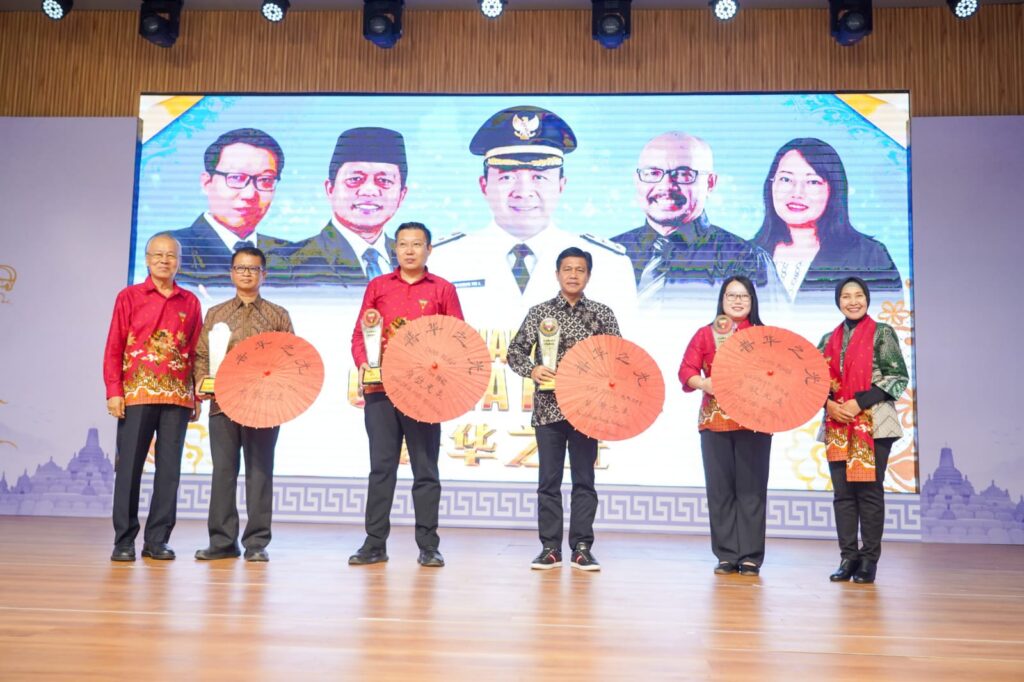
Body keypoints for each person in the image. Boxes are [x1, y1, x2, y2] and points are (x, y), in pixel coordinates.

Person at [428, 105, 636, 328]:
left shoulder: (608, 264)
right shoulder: (443, 260)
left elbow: (624, 355)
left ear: (561, 185)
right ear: (484, 185)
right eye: (507, 177)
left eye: (539, 177)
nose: (523, 192)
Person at [348, 222, 463, 568]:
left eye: (417, 244)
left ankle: (428, 545)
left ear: (429, 249)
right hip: (380, 391)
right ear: (394, 249)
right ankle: (374, 543)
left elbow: (458, 339)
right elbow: (359, 334)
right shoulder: (378, 287)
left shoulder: (443, 289)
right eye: (402, 244)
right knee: (381, 468)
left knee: (425, 470)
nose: (409, 250)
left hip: (425, 395)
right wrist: (365, 364)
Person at [507, 247, 621, 571]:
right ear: (556, 274)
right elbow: (515, 352)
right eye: (567, 269)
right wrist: (532, 370)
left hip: (587, 411)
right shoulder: (539, 313)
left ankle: (582, 547)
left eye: (580, 269)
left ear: (588, 275)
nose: (573, 275)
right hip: (548, 410)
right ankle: (550, 548)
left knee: (585, 481)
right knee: (549, 481)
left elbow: (617, 358)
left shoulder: (602, 314)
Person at [103, 232, 202, 562]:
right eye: (157, 254)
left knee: (169, 471)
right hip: (137, 394)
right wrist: (114, 391)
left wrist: (197, 395)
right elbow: (114, 346)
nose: (164, 260)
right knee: (129, 468)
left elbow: (195, 352)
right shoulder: (129, 296)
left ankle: (157, 539)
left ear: (179, 262)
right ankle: (124, 540)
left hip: (177, 396)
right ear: (146, 259)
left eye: (171, 255)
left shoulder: (190, 301)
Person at [193, 247, 294, 563]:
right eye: (241, 268)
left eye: (254, 269)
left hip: (264, 407)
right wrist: (200, 380)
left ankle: (256, 543)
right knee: (223, 471)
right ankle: (222, 541)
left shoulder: (278, 315)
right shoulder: (216, 314)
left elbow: (291, 357)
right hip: (223, 404)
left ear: (264, 274)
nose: (247, 273)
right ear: (231, 273)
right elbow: (201, 356)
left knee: (260, 472)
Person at [678, 276, 772, 576]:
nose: (737, 300)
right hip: (715, 422)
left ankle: (751, 557)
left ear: (752, 300)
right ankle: (726, 555)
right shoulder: (706, 334)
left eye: (743, 296)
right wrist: (704, 382)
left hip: (755, 422)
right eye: (731, 295)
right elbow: (686, 371)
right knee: (720, 491)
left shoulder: (764, 336)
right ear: (721, 299)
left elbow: (778, 373)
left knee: (752, 490)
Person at [612, 132, 777, 302]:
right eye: (653, 173)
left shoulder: (746, 260)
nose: (666, 186)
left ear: (710, 183)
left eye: (683, 174)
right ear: (637, 180)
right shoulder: (605, 257)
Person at [817, 277, 908, 584]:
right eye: (846, 296)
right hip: (837, 423)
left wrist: (858, 403)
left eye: (858, 295)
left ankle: (869, 559)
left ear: (867, 299)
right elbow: (812, 383)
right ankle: (848, 557)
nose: (852, 301)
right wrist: (830, 406)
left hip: (874, 423)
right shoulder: (827, 339)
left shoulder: (882, 333)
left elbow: (897, 377)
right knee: (843, 495)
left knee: (868, 493)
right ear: (838, 301)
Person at [751, 138, 903, 302]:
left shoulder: (868, 256)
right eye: (786, 179)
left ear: (833, 190)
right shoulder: (744, 255)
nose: (797, 193)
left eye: (812, 181)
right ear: (771, 185)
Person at [168, 128, 292, 288]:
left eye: (265, 180)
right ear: (207, 183)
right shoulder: (175, 248)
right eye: (237, 178)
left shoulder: (289, 253)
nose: (249, 194)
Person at [288, 127, 407, 286]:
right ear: (330, 189)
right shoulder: (290, 264)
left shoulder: (413, 260)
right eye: (355, 179)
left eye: (384, 181)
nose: (369, 191)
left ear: (401, 195)